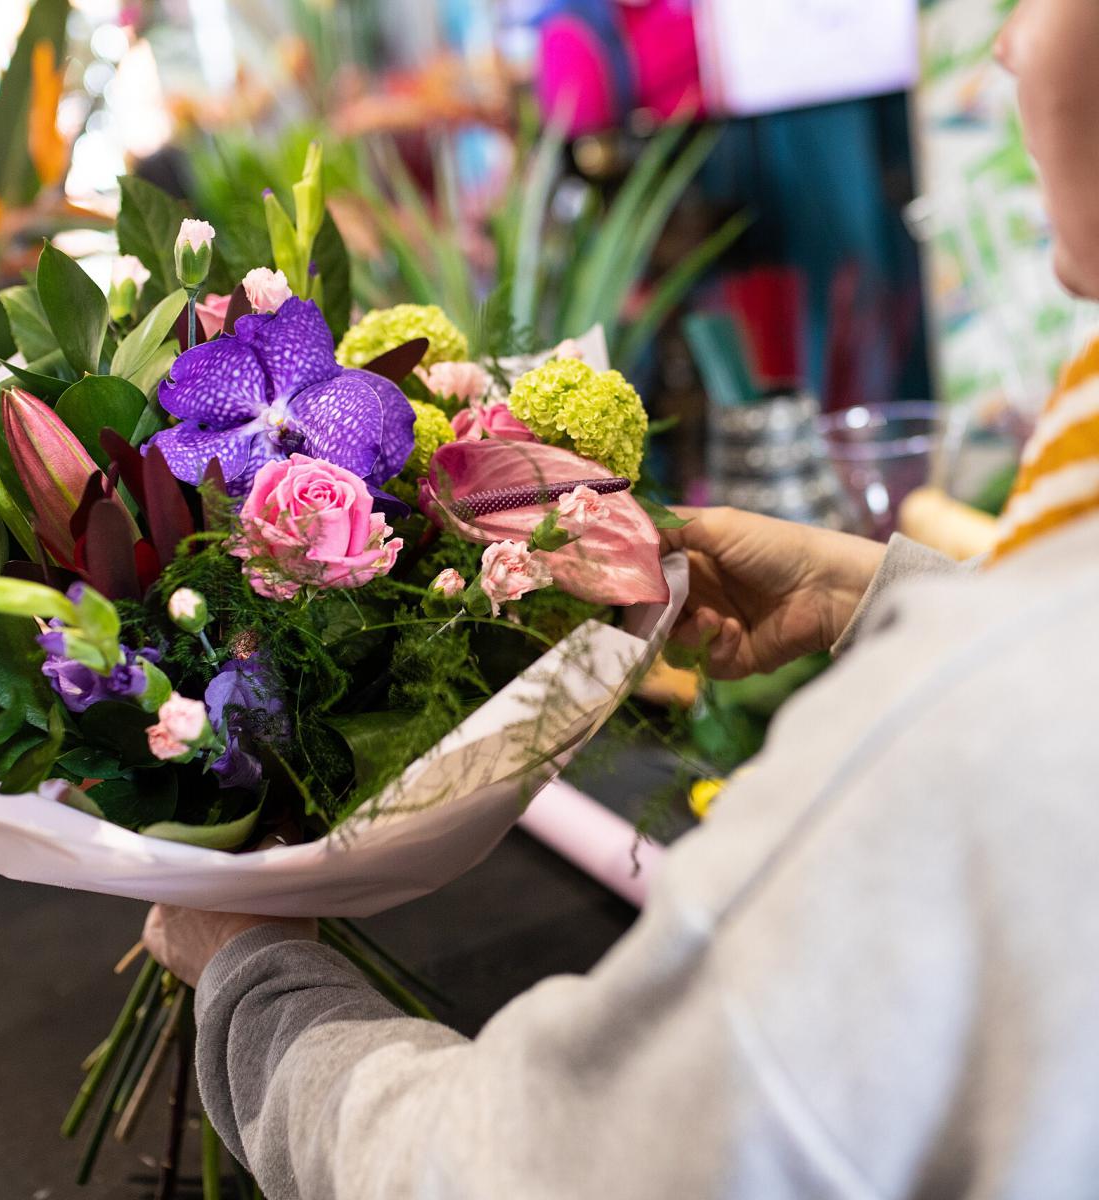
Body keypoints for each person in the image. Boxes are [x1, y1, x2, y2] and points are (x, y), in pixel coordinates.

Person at [143, 2, 1099, 1195]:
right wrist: (889, 593)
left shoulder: (967, 733)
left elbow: (547, 1169)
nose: (1001, 44)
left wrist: (254, 986)